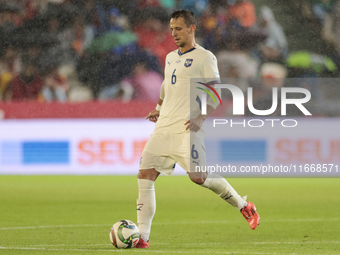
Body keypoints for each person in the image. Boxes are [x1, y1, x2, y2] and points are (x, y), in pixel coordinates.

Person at [135, 10, 260, 249]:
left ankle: (244, 205)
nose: (174, 33)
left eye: (178, 29)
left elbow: (215, 91)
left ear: (192, 28)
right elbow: (166, 85)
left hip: (187, 128)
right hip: (163, 128)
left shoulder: (205, 57)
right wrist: (158, 107)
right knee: (146, 175)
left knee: (198, 177)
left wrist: (202, 116)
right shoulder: (170, 57)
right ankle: (143, 237)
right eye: (171, 29)